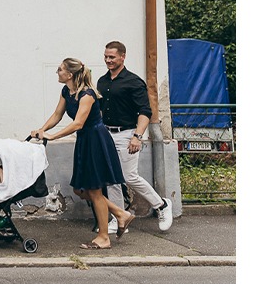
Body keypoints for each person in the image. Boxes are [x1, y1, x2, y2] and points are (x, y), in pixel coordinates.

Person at [31, 58, 134, 250]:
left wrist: (53, 137)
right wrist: (42, 129)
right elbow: (57, 115)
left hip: (96, 140)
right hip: (84, 140)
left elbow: (78, 123)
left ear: (70, 75)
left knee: (94, 190)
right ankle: (121, 213)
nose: (57, 72)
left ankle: (104, 237)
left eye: (59, 69)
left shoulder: (87, 94)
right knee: (80, 190)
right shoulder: (66, 91)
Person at [98, 41, 173, 231]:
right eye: (106, 57)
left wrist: (137, 137)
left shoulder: (133, 81)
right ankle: (119, 218)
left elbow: (144, 111)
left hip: (127, 134)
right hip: (107, 133)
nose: (108, 60)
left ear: (123, 56)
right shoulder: (102, 81)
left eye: (112, 57)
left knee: (129, 176)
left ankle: (162, 205)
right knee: (112, 179)